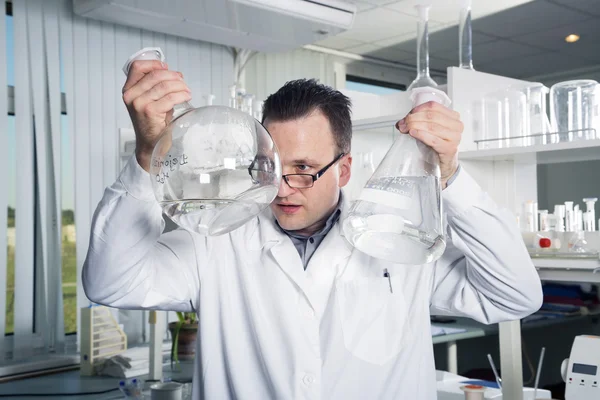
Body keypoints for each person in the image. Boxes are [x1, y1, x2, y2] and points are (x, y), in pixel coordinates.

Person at [83, 60, 543, 400]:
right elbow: (110, 282)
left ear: (343, 170)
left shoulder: (396, 240)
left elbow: (514, 296)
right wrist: (148, 157)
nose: (282, 188)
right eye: (270, 167)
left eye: (303, 169)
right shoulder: (218, 240)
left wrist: (450, 177)